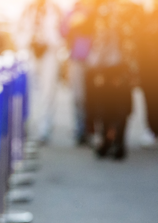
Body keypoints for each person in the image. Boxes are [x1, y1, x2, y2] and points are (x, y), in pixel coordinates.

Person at [85, 0, 141, 160]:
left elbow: (133, 41)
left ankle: (116, 142)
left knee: (119, 107)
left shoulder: (125, 11)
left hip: (118, 66)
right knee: (106, 106)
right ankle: (109, 140)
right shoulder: (100, 10)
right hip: (106, 67)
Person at [16, 0, 63, 144]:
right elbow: (18, 31)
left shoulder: (55, 9)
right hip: (31, 52)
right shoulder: (28, 9)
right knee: (29, 91)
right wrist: (28, 40)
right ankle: (29, 126)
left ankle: (44, 129)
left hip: (49, 52)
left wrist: (49, 40)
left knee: (48, 92)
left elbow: (63, 33)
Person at [62, 0, 95, 145]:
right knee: (78, 97)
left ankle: (94, 130)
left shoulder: (97, 10)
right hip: (77, 58)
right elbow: (62, 31)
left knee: (94, 98)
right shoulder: (72, 11)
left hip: (97, 61)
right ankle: (81, 130)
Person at [138, 0, 158, 142]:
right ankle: (152, 130)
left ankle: (152, 130)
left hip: (149, 67)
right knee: (150, 100)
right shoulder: (145, 18)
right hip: (148, 67)